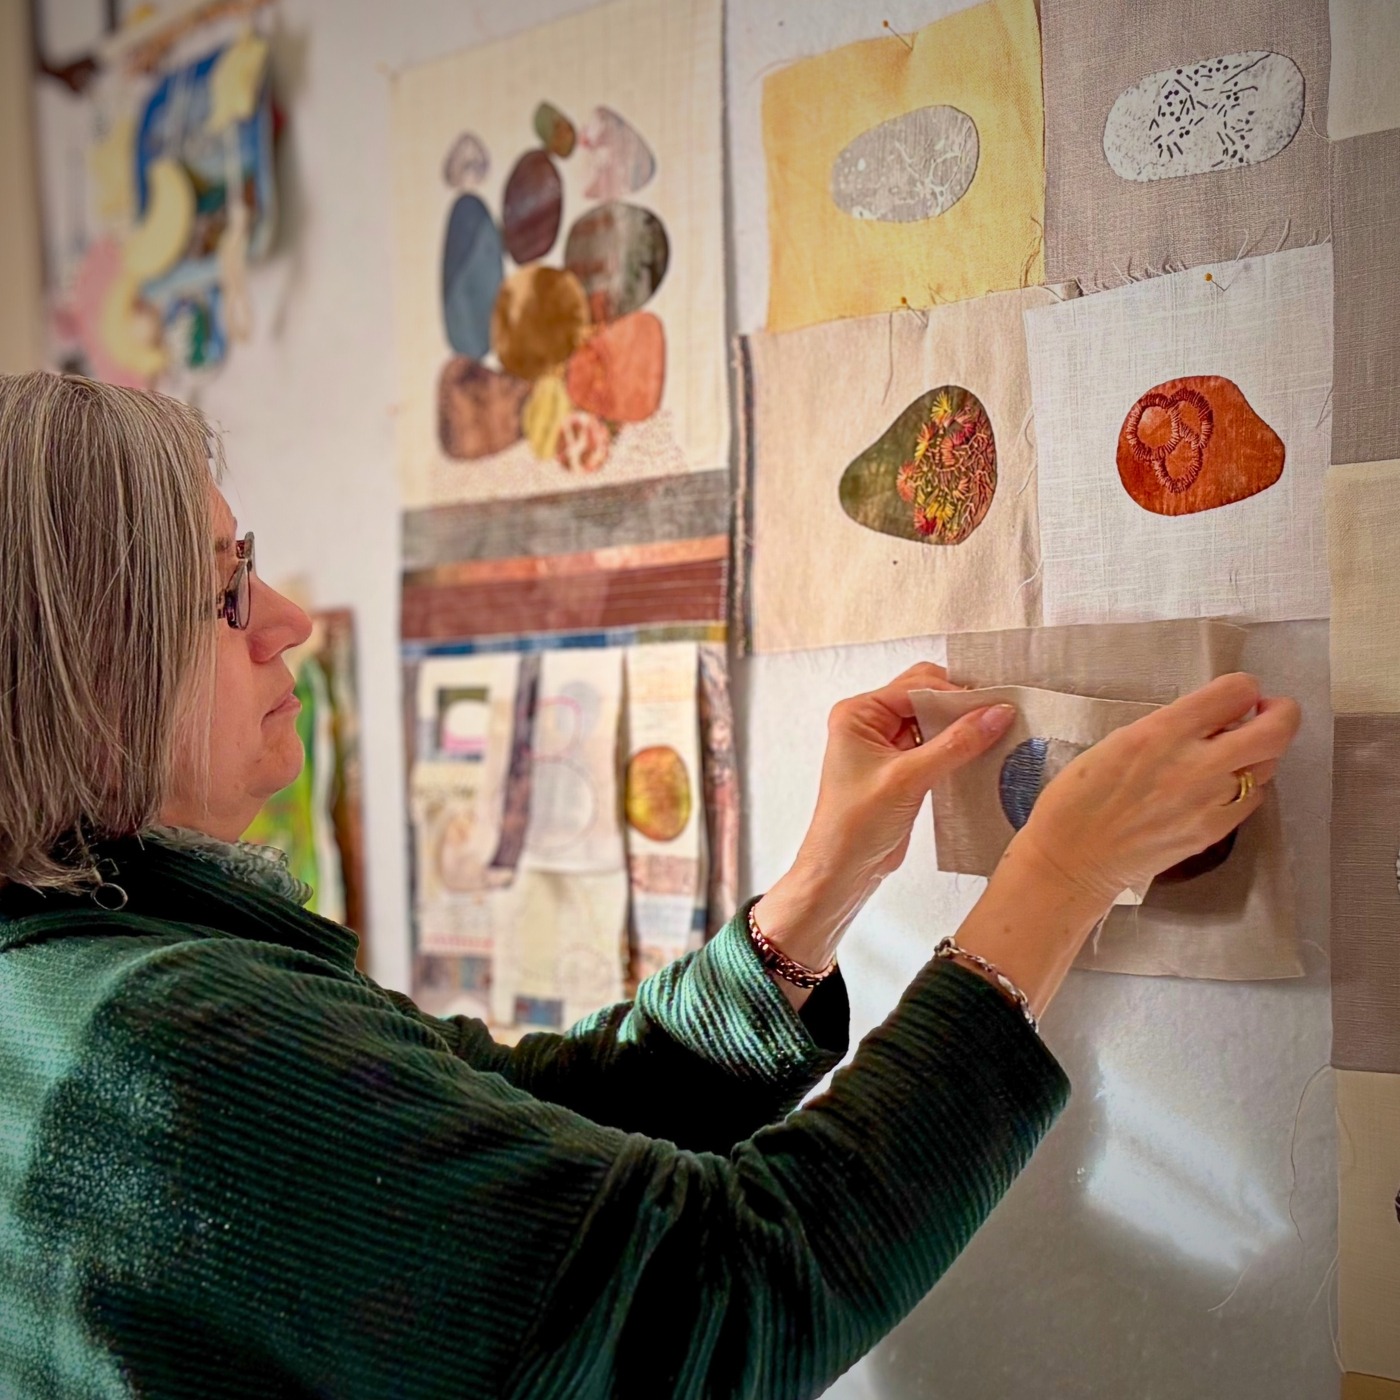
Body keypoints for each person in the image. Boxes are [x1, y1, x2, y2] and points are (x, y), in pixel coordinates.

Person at [0, 372, 1300, 1399]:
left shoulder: (74, 978)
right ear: (88, 663)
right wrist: (1057, 878)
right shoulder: (165, 1047)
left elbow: (522, 1123)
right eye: (224, 590)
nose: (285, 615)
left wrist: (807, 909)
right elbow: (720, 1293)